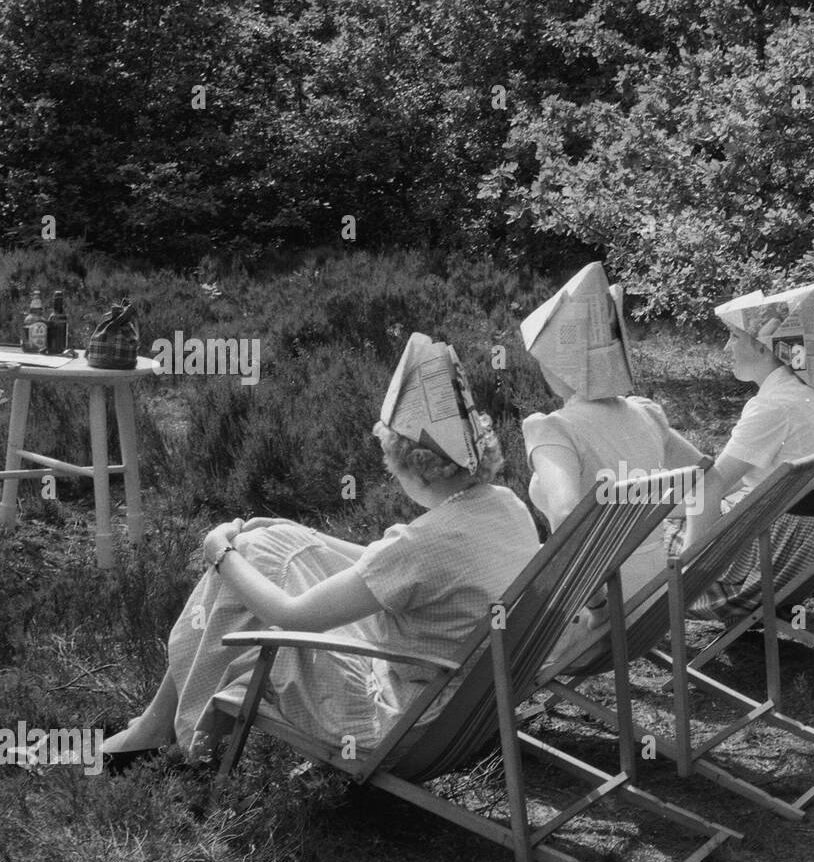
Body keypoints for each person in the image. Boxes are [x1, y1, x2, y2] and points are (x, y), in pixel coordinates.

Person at [98, 336, 541, 767]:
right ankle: (158, 728)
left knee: (245, 568)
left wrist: (219, 553)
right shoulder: (505, 505)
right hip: (464, 713)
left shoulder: (422, 545)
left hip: (396, 726)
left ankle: (165, 737)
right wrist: (299, 532)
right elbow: (387, 564)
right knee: (266, 545)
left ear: (411, 464)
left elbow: (292, 616)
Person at [520, 261, 703, 605]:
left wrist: (596, 604)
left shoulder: (552, 428)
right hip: (656, 592)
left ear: (559, 365)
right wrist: (692, 556)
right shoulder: (647, 414)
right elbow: (708, 475)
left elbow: (565, 517)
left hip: (601, 600)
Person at [672, 282, 814, 621]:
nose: (726, 347)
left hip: (776, 550)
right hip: (813, 538)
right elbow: (729, 482)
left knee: (653, 540)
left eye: (735, 337)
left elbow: (714, 484)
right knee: (682, 510)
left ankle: (639, 612)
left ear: (765, 348)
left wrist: (690, 565)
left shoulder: (772, 406)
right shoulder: (805, 393)